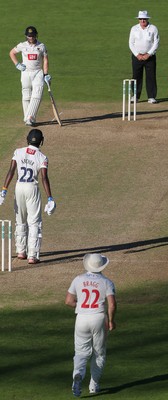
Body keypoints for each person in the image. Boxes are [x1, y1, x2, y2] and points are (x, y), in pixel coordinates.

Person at [0, 129, 56, 264]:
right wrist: (50, 198)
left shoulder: (18, 152)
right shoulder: (42, 157)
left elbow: (11, 171)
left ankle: (21, 251)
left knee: (20, 220)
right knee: (34, 223)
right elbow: (44, 178)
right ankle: (32, 255)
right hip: (32, 188)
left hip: (19, 187)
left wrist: (3, 190)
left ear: (27, 139)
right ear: (41, 141)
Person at [65, 253, 117, 397]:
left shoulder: (78, 279)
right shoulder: (107, 282)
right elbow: (112, 304)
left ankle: (78, 375)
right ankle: (94, 385)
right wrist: (111, 320)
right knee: (99, 353)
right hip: (99, 317)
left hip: (81, 318)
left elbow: (68, 301)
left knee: (81, 353)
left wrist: (80, 306)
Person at [9, 26, 52, 126]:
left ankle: (30, 117)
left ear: (36, 35)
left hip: (38, 72)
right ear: (26, 36)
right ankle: (27, 118)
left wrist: (46, 74)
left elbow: (45, 60)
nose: (31, 38)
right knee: (26, 94)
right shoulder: (22, 45)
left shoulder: (41, 46)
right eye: (29, 36)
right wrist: (17, 64)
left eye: (32, 36)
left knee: (37, 93)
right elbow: (12, 53)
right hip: (25, 72)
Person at [129, 10, 159, 104]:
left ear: (147, 19)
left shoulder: (153, 28)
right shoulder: (134, 28)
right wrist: (137, 54)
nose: (142, 21)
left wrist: (148, 54)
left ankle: (151, 96)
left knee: (151, 76)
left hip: (150, 57)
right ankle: (135, 96)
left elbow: (156, 43)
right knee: (136, 76)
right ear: (138, 19)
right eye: (140, 19)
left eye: (144, 19)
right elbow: (131, 43)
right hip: (137, 56)